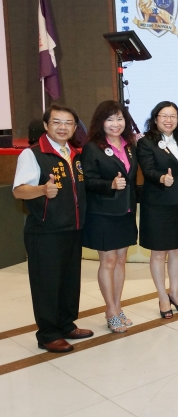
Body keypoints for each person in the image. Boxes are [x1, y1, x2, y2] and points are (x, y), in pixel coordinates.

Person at [12, 105, 93, 353]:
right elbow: (19, 190)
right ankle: (48, 334)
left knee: (69, 281)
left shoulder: (75, 155)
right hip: (45, 230)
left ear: (75, 127)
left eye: (68, 123)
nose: (63, 127)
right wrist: (42, 190)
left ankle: (66, 324)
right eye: (57, 122)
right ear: (46, 126)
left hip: (73, 228)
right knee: (46, 283)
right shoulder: (32, 154)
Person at [81, 100, 138, 333]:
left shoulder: (129, 146)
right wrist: (110, 185)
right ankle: (110, 311)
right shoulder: (92, 148)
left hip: (125, 212)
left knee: (121, 261)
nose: (116, 124)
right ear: (101, 122)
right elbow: (87, 181)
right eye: (110, 119)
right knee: (108, 261)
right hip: (103, 213)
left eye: (120, 118)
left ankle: (118, 306)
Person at [137, 101, 178, 319]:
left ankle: (175, 294)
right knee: (159, 252)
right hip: (157, 204)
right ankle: (162, 297)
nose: (169, 120)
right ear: (155, 118)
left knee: (177, 250)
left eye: (173, 116)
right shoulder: (146, 142)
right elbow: (147, 170)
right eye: (164, 116)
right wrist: (161, 178)